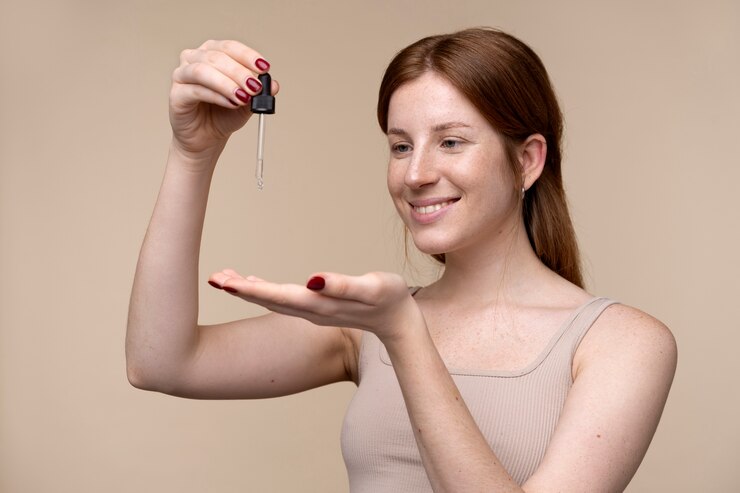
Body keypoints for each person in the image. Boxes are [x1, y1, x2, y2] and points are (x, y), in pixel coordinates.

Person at [126, 28, 677, 492]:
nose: (414, 175)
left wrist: (405, 335)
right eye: (400, 145)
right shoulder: (364, 331)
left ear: (528, 160)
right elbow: (161, 362)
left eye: (452, 142)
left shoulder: (621, 343)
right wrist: (193, 153)